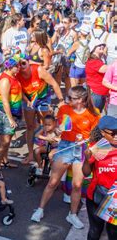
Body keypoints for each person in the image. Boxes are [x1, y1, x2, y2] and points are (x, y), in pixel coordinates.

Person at [31, 86, 100, 229]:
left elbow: (95, 136)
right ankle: (40, 209)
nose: (67, 100)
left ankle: (72, 215)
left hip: (81, 149)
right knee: (53, 182)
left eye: (71, 98)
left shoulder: (94, 113)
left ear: (80, 100)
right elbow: (59, 127)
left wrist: (87, 140)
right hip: (65, 147)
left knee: (77, 185)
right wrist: (57, 130)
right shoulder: (64, 109)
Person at [16, 57, 65, 163]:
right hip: (29, 99)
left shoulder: (38, 70)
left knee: (47, 124)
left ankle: (50, 150)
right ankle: (30, 155)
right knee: (30, 126)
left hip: (43, 98)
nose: (21, 66)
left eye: (24, 63)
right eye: (19, 64)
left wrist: (61, 100)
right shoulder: (17, 74)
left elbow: (54, 84)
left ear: (29, 63)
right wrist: (26, 100)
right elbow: (20, 91)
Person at [82, 116, 117, 240]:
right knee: (95, 231)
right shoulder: (98, 148)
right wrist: (87, 159)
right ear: (102, 133)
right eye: (113, 133)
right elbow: (86, 173)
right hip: (97, 196)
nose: (116, 136)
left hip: (115, 198)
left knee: (113, 233)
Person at [0, 55, 23, 176]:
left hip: (13, 113)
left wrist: (27, 100)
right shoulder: (5, 80)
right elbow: (5, 101)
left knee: (8, 139)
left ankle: (5, 161)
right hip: (5, 114)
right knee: (4, 141)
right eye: (17, 66)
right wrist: (11, 119)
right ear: (10, 67)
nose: (19, 68)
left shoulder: (13, 76)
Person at [85, 41, 108, 112]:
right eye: (99, 45)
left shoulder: (99, 60)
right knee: (93, 116)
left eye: (103, 45)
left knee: (96, 116)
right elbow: (104, 69)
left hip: (99, 93)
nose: (102, 46)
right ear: (93, 48)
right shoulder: (93, 61)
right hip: (96, 93)